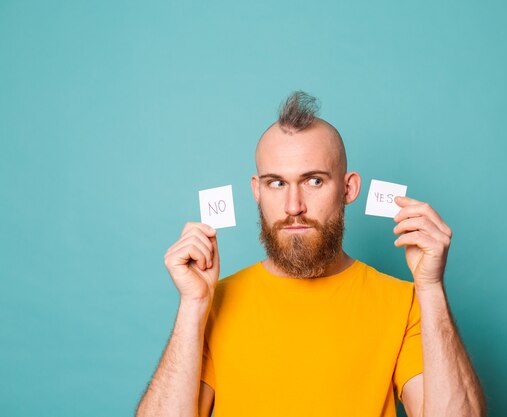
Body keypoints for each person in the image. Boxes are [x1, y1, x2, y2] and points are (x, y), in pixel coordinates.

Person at [136, 91, 486, 417]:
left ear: (348, 189)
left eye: (314, 181)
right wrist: (193, 306)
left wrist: (431, 288)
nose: (293, 206)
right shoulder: (213, 302)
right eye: (277, 183)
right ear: (257, 191)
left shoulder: (405, 302)